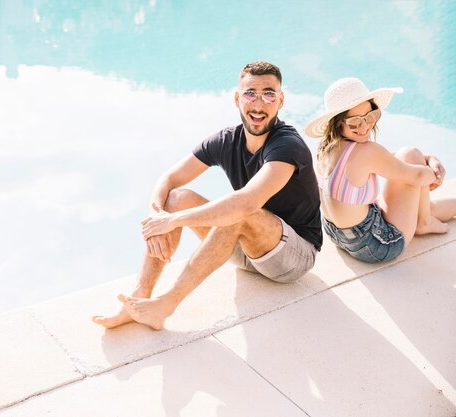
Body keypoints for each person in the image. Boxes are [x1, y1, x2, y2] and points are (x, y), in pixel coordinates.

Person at [92, 61, 322, 330]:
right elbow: (167, 180)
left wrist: (173, 222)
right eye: (250, 93)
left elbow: (247, 202)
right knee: (176, 198)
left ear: (281, 101)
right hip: (249, 251)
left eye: (269, 94)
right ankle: (139, 295)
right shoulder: (226, 140)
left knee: (238, 212)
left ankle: (166, 305)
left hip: (293, 258)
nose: (259, 104)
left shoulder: (287, 146)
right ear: (237, 98)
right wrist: (156, 216)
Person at [304, 77, 455, 263]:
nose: (365, 126)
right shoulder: (366, 151)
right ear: (337, 123)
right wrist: (436, 172)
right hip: (376, 245)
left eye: (370, 117)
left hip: (339, 236)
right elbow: (416, 176)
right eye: (354, 122)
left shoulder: (325, 149)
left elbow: (388, 159)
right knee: (412, 154)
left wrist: (429, 158)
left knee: (414, 173)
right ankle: (423, 222)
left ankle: (425, 216)